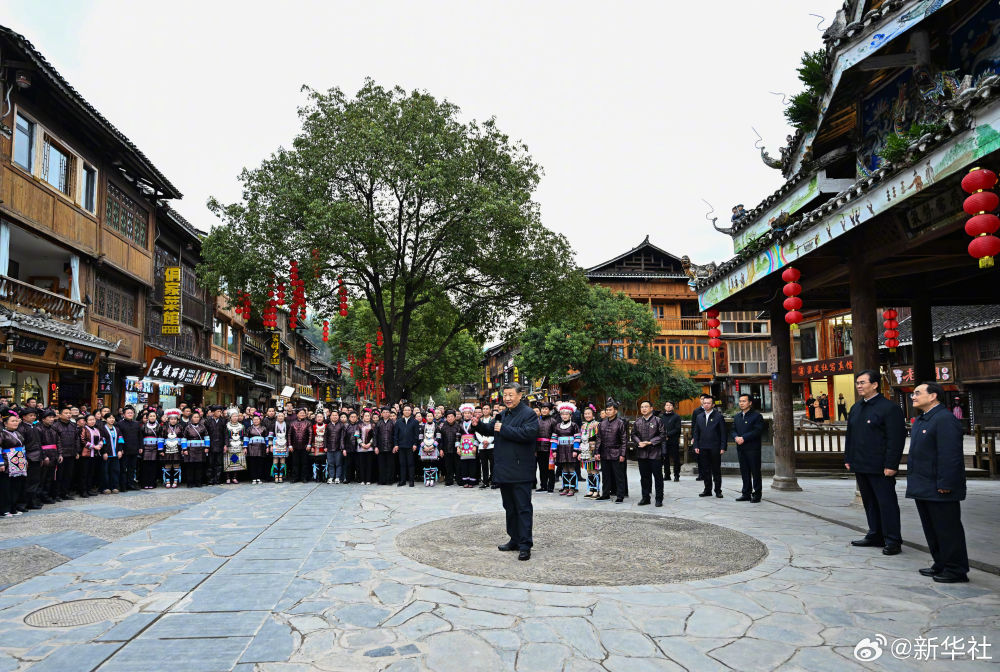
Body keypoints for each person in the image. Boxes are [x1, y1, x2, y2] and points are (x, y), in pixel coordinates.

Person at [906, 382, 969, 583]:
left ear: (933, 396)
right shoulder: (923, 419)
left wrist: (946, 483)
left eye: (917, 393)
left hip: (939, 485)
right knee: (931, 528)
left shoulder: (944, 419)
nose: (913, 397)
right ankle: (940, 562)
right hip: (923, 484)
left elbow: (950, 455)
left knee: (947, 529)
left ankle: (956, 568)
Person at [474, 382, 538, 561]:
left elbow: (528, 434)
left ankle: (525, 544)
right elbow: (491, 429)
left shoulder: (529, 414)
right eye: (505, 395)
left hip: (520, 469)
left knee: (523, 508)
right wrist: (477, 425)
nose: (507, 398)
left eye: (511, 395)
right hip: (504, 469)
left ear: (520, 395)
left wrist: (504, 429)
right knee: (509, 507)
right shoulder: (503, 414)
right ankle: (514, 539)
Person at [845, 369, 906, 555]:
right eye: (857, 383)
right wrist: (848, 457)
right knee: (870, 502)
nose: (859, 386)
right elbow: (851, 436)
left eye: (862, 382)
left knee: (886, 503)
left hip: (881, 466)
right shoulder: (856, 408)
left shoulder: (889, 408)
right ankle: (875, 534)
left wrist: (891, 465)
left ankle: (893, 539)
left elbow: (896, 439)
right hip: (860, 464)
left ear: (875, 384)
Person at [691, 395, 726, 498]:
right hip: (702, 447)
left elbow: (723, 433)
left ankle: (718, 490)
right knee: (705, 470)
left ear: (713, 404)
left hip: (715, 447)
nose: (706, 405)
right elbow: (696, 432)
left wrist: (723, 447)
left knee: (716, 470)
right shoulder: (699, 416)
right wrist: (696, 445)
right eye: (704, 403)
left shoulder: (718, 416)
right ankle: (707, 490)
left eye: (708, 403)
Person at [732, 393, 764, 503]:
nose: (741, 403)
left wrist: (744, 438)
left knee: (755, 471)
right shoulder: (737, 417)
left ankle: (757, 494)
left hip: (752, 448)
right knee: (744, 471)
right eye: (740, 401)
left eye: (744, 401)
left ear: (750, 403)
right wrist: (736, 437)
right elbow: (733, 429)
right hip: (741, 448)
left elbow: (757, 431)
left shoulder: (757, 416)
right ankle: (746, 493)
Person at [631, 400, 663, 507]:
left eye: (646, 406)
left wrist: (650, 442)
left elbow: (663, 435)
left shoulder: (658, 420)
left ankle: (659, 498)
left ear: (651, 408)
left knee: (658, 477)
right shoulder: (637, 421)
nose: (644, 409)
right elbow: (633, 434)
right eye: (642, 407)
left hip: (655, 453)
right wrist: (639, 442)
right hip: (642, 453)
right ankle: (645, 498)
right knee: (644, 477)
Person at [596, 400, 627, 503]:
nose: (608, 412)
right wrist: (597, 452)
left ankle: (620, 495)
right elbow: (599, 439)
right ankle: (605, 494)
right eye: (607, 410)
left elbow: (624, 440)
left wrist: (623, 454)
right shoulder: (602, 423)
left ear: (615, 411)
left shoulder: (620, 423)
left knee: (619, 476)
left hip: (616, 452)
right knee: (605, 475)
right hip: (604, 452)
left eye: (610, 410)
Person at [0, 410, 28, 516]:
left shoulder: (18, 433)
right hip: (7, 462)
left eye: (16, 421)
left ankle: (13, 507)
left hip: (19, 461)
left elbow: (23, 448)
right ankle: (4, 509)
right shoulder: (2, 434)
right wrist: (1, 463)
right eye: (12, 421)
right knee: (6, 487)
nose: (15, 423)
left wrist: (25, 460)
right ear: (5, 423)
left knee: (16, 486)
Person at [551, 402, 580, 496]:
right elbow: (554, 439)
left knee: (571, 468)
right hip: (561, 449)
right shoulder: (557, 426)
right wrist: (554, 450)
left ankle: (572, 488)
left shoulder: (574, 425)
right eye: (563, 414)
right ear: (560, 415)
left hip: (571, 449)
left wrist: (576, 450)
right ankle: (565, 487)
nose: (564, 416)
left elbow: (577, 438)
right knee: (564, 468)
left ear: (570, 415)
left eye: (566, 414)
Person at [54, 407, 80, 499]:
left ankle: (65, 493)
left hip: (71, 453)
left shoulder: (73, 425)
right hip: (61, 454)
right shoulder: (56, 425)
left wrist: (77, 451)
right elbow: (57, 441)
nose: (69, 415)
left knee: (68, 475)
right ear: (60, 415)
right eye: (66, 413)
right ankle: (57, 494)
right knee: (59, 475)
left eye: (69, 413)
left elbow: (77, 439)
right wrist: (59, 453)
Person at [181, 411, 210, 487]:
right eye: (194, 417)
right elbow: (184, 438)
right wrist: (184, 449)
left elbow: (206, 437)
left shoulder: (203, 427)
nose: (196, 419)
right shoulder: (187, 427)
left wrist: (207, 447)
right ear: (191, 418)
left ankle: (198, 482)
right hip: (190, 449)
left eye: (197, 417)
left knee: (199, 466)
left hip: (200, 449)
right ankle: (190, 483)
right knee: (190, 467)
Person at [394, 404, 420, 487]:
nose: (407, 411)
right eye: (405, 410)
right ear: (403, 411)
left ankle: (411, 481)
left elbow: (417, 435)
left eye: (409, 410)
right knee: (402, 464)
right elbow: (396, 435)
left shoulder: (415, 422)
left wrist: (415, 444)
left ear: (411, 411)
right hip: (401, 446)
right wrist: (396, 444)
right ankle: (403, 481)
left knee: (411, 464)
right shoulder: (398, 422)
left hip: (411, 446)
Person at [117, 406, 142, 491]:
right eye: (128, 413)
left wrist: (140, 447)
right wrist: (120, 448)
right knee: (123, 468)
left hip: (134, 449)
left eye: (131, 413)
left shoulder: (136, 423)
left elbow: (140, 436)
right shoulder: (120, 424)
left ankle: (131, 484)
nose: (130, 414)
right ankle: (123, 485)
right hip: (125, 449)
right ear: (124, 414)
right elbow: (119, 437)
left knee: (132, 468)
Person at [535, 403, 558, 493]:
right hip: (539, 447)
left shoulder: (553, 421)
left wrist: (554, 448)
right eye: (542, 409)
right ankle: (543, 485)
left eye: (546, 409)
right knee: (541, 467)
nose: (544, 410)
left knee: (550, 468)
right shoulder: (536, 421)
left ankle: (550, 486)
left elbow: (555, 435)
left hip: (549, 447)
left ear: (549, 410)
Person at [79, 414, 104, 497]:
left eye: (93, 419)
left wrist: (100, 444)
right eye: (90, 420)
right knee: (84, 473)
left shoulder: (97, 429)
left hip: (95, 454)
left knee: (91, 473)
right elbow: (82, 440)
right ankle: (83, 491)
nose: (92, 421)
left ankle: (89, 489)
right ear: (86, 422)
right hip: (86, 454)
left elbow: (101, 438)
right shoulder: (84, 429)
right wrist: (94, 446)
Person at [578, 406, 600, 498]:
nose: (587, 415)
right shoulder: (583, 425)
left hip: (593, 449)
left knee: (594, 469)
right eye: (585, 414)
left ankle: (597, 490)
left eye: (589, 413)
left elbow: (599, 438)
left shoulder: (597, 424)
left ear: (593, 414)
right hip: (584, 450)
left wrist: (597, 451)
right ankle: (591, 489)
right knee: (588, 470)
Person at [99, 411, 121, 494]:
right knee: (105, 471)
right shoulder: (102, 429)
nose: (112, 420)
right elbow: (102, 441)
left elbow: (120, 440)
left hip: (115, 454)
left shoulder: (117, 429)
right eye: (109, 418)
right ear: (105, 419)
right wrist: (104, 452)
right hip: (107, 454)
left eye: (113, 418)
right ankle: (105, 487)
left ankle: (114, 486)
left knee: (115, 470)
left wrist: (119, 450)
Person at [457, 404, 479, 488]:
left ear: (471, 414)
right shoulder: (460, 424)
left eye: (469, 413)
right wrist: (458, 447)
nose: (467, 414)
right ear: (463, 414)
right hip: (463, 445)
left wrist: (475, 446)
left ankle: (472, 481)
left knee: (472, 464)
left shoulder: (474, 423)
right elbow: (458, 436)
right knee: (464, 464)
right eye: (465, 413)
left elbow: (477, 434)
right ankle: (465, 481)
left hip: (472, 444)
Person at [223, 409, 247, 484]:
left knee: (237, 461)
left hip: (239, 445)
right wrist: (225, 445)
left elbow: (244, 437)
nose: (235, 418)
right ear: (230, 417)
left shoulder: (241, 426)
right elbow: (224, 436)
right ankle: (227, 477)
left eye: (236, 416)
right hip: (229, 445)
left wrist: (245, 446)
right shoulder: (226, 426)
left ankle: (234, 477)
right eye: (233, 416)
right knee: (228, 461)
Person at [288, 408, 312, 483]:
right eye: (300, 413)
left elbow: (311, 434)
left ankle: (304, 477)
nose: (302, 414)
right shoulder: (292, 423)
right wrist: (290, 445)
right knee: (295, 463)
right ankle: (295, 477)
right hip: (295, 446)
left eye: (303, 413)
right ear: (297, 414)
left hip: (305, 446)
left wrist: (309, 444)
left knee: (304, 463)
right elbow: (289, 434)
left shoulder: (308, 423)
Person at [437, 409, 460, 486]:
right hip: (446, 449)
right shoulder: (442, 426)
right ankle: (449, 480)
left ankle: (459, 479)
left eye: (452, 416)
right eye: (448, 417)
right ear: (446, 418)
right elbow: (440, 439)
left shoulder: (459, 426)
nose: (450, 418)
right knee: (448, 466)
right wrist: (440, 449)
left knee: (457, 465)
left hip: (456, 449)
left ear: (455, 417)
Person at [660, 401, 682, 482]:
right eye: (667, 405)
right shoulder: (661, 417)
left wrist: (667, 435)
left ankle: (676, 475)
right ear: (664, 407)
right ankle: (667, 475)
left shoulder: (676, 416)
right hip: (663, 441)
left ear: (673, 407)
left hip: (673, 440)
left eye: (670, 405)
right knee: (665, 458)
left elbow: (677, 429)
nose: (668, 406)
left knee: (676, 458)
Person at [244, 414, 269, 484]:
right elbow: (246, 438)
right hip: (251, 447)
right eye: (254, 420)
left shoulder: (264, 428)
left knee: (260, 463)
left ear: (260, 420)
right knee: (252, 463)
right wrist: (245, 447)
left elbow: (266, 438)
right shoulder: (249, 428)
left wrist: (267, 446)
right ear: (252, 421)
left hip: (261, 447)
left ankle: (259, 477)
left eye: (257, 419)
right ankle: (253, 478)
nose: (256, 421)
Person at [375, 407, 395, 485]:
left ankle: (389, 480)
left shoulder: (393, 423)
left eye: (387, 412)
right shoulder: (378, 423)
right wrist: (376, 446)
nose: (386, 413)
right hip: (380, 447)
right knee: (381, 465)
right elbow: (375, 436)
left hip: (391, 447)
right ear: (381, 414)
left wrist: (395, 446)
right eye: (384, 412)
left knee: (390, 465)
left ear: (389, 413)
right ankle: (382, 480)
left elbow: (395, 436)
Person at [140, 410, 160, 490]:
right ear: (147, 417)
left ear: (156, 417)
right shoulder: (143, 426)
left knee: (153, 466)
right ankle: (145, 483)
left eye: (154, 416)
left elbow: (161, 437)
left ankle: (152, 483)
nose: (152, 417)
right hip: (145, 448)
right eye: (150, 416)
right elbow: (140, 437)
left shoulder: (159, 426)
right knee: (145, 466)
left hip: (155, 448)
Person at [477, 404, 494, 489]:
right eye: (484, 409)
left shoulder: (493, 420)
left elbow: (495, 432)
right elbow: (477, 432)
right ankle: (485, 482)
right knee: (484, 465)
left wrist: (488, 441)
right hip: (482, 446)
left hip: (491, 446)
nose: (485, 410)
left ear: (490, 410)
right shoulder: (479, 420)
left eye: (487, 409)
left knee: (493, 464)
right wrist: (483, 441)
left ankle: (494, 481)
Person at [357, 410, 375, 485]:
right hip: (361, 448)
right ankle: (362, 480)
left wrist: (370, 443)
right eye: (365, 416)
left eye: (368, 416)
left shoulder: (373, 425)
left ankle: (368, 480)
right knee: (361, 464)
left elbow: (374, 436)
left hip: (370, 448)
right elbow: (356, 435)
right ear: (363, 417)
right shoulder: (359, 425)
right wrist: (361, 444)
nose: (367, 417)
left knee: (369, 464)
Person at [341, 410, 360, 484]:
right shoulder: (346, 426)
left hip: (357, 447)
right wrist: (343, 449)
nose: (353, 418)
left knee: (357, 464)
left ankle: (358, 478)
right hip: (348, 448)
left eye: (355, 417)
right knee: (348, 464)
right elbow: (342, 438)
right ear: (349, 418)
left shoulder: (359, 425)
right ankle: (348, 478)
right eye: (352, 417)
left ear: (357, 418)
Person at [271, 411, 289, 483]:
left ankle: (281, 476)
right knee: (275, 459)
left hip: (284, 443)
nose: (280, 417)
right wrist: (270, 445)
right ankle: (276, 476)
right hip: (275, 442)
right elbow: (270, 434)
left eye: (282, 416)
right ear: (277, 417)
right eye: (279, 416)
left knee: (282, 459)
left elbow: (288, 435)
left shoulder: (287, 424)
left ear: (284, 417)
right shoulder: (273, 424)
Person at [311, 413, 329, 482]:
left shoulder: (326, 426)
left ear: (323, 418)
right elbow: (312, 437)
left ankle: (324, 476)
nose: (319, 418)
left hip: (324, 446)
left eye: (320, 417)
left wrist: (326, 446)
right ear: (315, 419)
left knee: (324, 461)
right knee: (316, 461)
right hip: (316, 446)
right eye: (318, 417)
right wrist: (312, 446)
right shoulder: (313, 426)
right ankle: (317, 476)